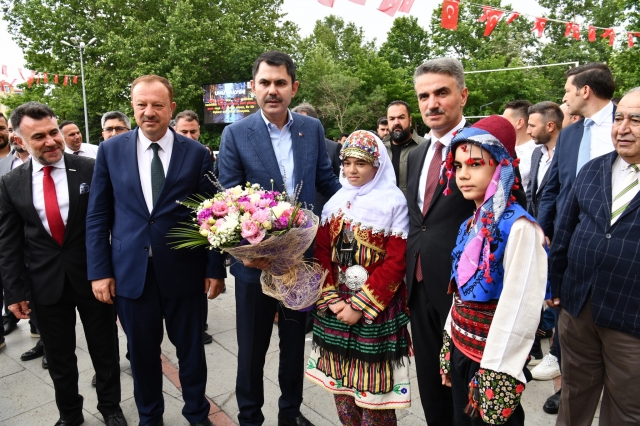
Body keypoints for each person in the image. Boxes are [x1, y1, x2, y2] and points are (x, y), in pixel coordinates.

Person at [86, 75, 226, 426]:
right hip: (131, 274)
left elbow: (211, 215)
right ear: (133, 106)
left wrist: (214, 268)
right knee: (143, 357)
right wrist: (99, 271)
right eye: (141, 105)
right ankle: (150, 417)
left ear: (171, 108)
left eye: (157, 105)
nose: (149, 112)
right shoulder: (110, 150)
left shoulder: (195, 153)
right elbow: (98, 214)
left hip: (184, 272)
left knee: (192, 353)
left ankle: (197, 414)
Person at [218, 50, 341, 426]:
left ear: (293, 87)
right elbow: (228, 200)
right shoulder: (235, 133)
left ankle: (290, 414)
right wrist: (246, 253)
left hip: (301, 265)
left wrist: (359, 204)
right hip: (255, 266)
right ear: (253, 88)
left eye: (280, 83)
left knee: (293, 349)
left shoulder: (312, 129)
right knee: (252, 351)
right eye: (265, 83)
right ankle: (250, 418)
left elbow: (326, 181)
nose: (273, 90)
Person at [0, 102, 125, 426]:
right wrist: (14, 292)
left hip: (94, 278)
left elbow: (111, 221)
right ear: (19, 140)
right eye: (38, 136)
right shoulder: (10, 184)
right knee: (59, 357)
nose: (51, 141)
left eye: (53, 132)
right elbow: (9, 243)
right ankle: (70, 414)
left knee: (105, 349)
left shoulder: (89, 168)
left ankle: (110, 408)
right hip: (45, 285)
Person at [439, 116, 548, 426]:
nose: (463, 174)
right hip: (463, 347)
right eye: (458, 166)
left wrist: (498, 371)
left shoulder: (520, 228)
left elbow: (521, 307)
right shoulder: (471, 223)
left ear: (500, 166)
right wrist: (450, 342)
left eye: (475, 164)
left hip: (492, 360)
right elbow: (459, 291)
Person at [548, 87, 640, 425]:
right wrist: (555, 285)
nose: (623, 128)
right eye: (619, 118)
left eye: (636, 120)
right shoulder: (593, 170)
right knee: (574, 397)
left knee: (627, 410)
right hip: (578, 306)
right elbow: (565, 231)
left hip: (632, 320)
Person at [306, 130, 411, 425]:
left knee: (373, 392)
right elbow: (322, 253)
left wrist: (358, 306)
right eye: (347, 163)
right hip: (336, 306)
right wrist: (333, 300)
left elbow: (396, 262)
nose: (352, 170)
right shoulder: (335, 202)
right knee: (341, 387)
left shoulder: (393, 202)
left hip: (373, 309)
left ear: (377, 166)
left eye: (361, 164)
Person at [536, 63, 615, 414]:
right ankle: (560, 364)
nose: (564, 96)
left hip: (618, 245)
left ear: (585, 91)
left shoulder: (624, 125)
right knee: (565, 308)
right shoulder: (570, 133)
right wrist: (542, 228)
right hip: (571, 240)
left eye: (568, 89)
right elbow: (553, 186)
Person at [291, 102, 341, 217]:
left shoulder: (334, 148)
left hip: (325, 213)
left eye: (305, 122)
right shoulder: (287, 149)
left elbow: (333, 183)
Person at [383, 100, 426, 198]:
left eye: (401, 118)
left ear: (410, 120)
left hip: (415, 211)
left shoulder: (425, 147)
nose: (396, 122)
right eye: (392, 119)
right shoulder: (380, 149)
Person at [503, 100, 535, 192]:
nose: (502, 124)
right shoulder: (502, 149)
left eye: (505, 121)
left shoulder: (539, 151)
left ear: (520, 123)